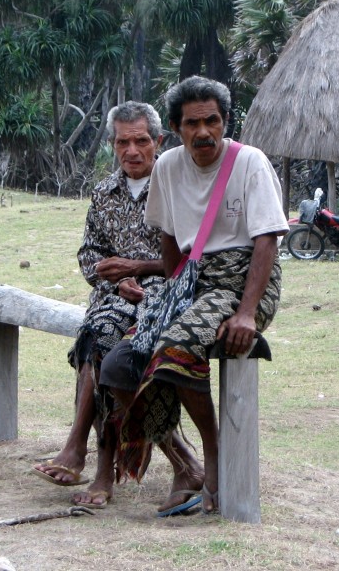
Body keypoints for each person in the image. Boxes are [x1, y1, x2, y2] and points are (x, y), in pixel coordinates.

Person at [100, 75, 290, 514]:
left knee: (177, 346)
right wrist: (170, 293)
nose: (204, 132)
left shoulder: (251, 163)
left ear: (225, 122)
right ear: (177, 127)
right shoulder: (167, 166)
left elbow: (267, 241)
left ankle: (214, 454)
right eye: (193, 123)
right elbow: (169, 236)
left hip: (243, 282)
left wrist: (246, 314)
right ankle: (183, 463)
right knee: (121, 362)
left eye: (212, 121)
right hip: (191, 280)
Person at [31, 101, 168, 500]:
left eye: (141, 141)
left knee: (107, 344)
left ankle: (90, 457)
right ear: (113, 145)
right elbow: (89, 254)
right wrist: (113, 276)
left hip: (158, 295)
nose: (132, 151)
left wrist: (137, 269)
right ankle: (90, 458)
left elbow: (189, 258)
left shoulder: (175, 185)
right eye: (123, 142)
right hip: (112, 296)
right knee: (96, 337)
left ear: (158, 141)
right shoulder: (104, 193)